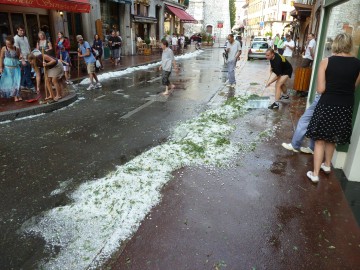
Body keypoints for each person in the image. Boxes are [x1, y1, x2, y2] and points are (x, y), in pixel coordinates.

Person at [305, 33, 360, 183]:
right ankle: (327, 165)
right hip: (345, 106)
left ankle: (315, 174)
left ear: (336, 44)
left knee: (320, 140)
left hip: (327, 104)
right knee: (332, 138)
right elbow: (353, 87)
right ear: (350, 45)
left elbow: (321, 89)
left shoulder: (326, 61)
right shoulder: (357, 63)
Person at [0, 36, 22, 101]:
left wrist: (20, 57)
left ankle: (18, 94)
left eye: (9, 44)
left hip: (16, 68)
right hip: (8, 69)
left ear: (12, 43)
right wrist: (1, 67)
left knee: (18, 81)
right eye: (6, 43)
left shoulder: (16, 49)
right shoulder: (4, 48)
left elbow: (18, 57)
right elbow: (1, 58)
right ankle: (15, 96)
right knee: (12, 82)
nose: (7, 45)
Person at [14, 25, 35, 92]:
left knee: (26, 72)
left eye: (23, 30)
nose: (22, 32)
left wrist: (31, 56)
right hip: (22, 59)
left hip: (28, 57)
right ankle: (30, 86)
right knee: (27, 72)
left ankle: (23, 85)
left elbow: (28, 48)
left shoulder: (25, 37)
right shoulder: (16, 38)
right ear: (17, 30)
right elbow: (17, 50)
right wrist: (22, 60)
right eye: (21, 30)